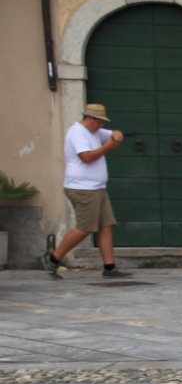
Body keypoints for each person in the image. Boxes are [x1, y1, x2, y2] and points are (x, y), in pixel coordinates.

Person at [43, 104, 131, 280]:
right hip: (83, 189)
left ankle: (109, 268)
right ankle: (53, 259)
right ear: (90, 119)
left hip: (97, 188)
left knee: (106, 226)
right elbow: (87, 157)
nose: (101, 126)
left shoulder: (95, 131)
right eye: (99, 122)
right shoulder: (77, 132)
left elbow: (116, 134)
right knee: (84, 228)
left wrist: (116, 135)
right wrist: (109, 146)